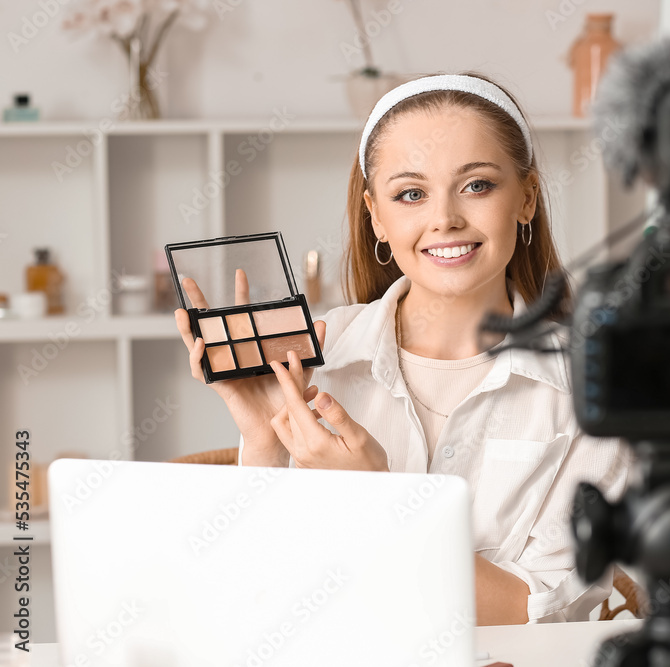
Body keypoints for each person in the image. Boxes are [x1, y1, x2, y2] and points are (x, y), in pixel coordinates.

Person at [174, 72, 634, 625]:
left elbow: (546, 616)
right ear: (377, 216)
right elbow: (258, 597)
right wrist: (261, 441)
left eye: (477, 185)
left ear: (527, 199)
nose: (444, 219)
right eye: (411, 194)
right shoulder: (323, 354)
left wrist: (379, 503)